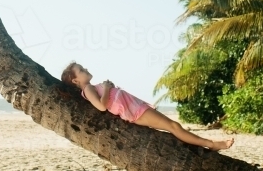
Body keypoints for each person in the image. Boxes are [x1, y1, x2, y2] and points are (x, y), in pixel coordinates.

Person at [61, 61, 234, 151]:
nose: (85, 69)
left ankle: (209, 144)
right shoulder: (88, 89)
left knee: (174, 127)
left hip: (134, 108)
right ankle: (212, 144)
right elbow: (101, 107)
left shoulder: (90, 87)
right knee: (174, 126)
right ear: (76, 80)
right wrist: (107, 89)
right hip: (134, 111)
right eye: (81, 70)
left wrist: (109, 88)